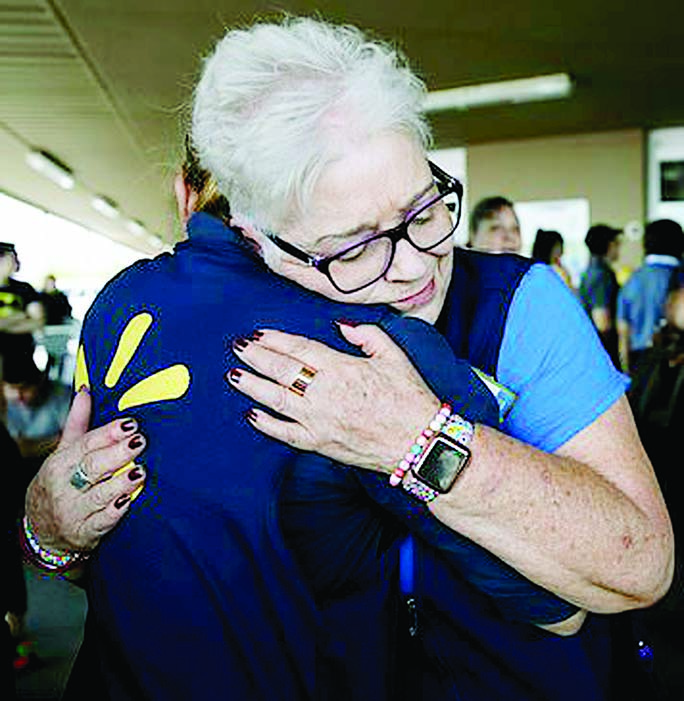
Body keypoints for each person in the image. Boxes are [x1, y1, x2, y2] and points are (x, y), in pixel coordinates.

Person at [23, 16, 672, 701]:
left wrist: (412, 439)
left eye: (425, 209)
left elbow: (636, 568)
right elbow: (149, 553)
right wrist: (50, 531)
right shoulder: (199, 323)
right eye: (356, 245)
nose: (417, 264)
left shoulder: (521, 303)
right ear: (259, 241)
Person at [617, 219, 684, 375]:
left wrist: (628, 373)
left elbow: (623, 334)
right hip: (676, 366)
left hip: (640, 363)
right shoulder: (679, 277)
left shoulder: (631, 280)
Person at [3, 355, 71, 477]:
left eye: (25, 388)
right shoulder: (4, 404)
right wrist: (53, 441)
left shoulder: (61, 394)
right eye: (12, 389)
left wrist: (29, 446)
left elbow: (70, 439)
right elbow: (19, 450)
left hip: (58, 463)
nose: (19, 395)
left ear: (40, 382)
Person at [579, 224, 622, 367]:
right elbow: (602, 323)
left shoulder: (592, 271)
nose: (619, 249)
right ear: (610, 245)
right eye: (618, 244)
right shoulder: (601, 275)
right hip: (604, 353)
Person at [0, 243, 44, 380]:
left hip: (22, 357)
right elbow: (31, 317)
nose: (17, 263)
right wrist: (21, 315)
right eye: (12, 258)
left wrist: (4, 326)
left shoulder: (24, 289)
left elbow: (39, 321)